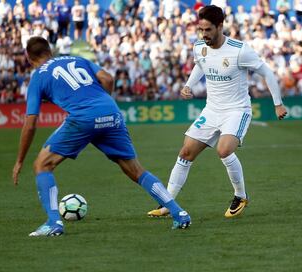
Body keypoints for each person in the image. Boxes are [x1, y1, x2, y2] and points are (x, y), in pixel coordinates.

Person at [12, 37, 191, 237]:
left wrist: (19, 160)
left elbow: (30, 123)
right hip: (111, 111)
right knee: (135, 170)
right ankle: (179, 212)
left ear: (28, 57)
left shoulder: (38, 76)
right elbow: (107, 78)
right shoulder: (77, 59)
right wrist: (101, 106)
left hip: (82, 117)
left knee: (41, 165)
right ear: (50, 51)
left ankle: (53, 222)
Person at [148, 5, 287, 218]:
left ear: (220, 26)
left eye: (208, 30)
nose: (204, 35)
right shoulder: (199, 47)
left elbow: (266, 72)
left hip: (236, 111)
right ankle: (168, 203)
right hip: (212, 110)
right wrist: (188, 85)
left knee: (223, 150)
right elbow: (200, 64)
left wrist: (277, 103)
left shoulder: (239, 50)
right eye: (201, 30)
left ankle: (240, 196)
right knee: (185, 153)